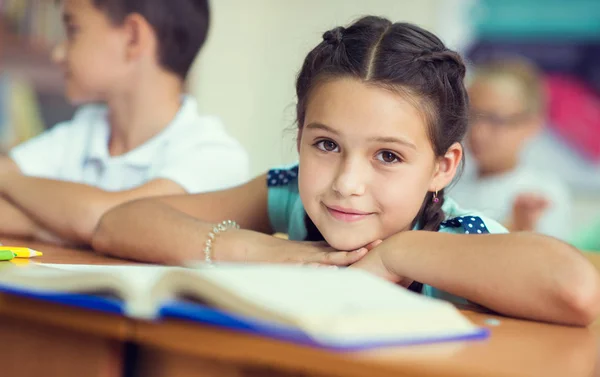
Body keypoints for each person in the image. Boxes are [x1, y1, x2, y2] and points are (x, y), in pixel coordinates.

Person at [93, 17, 600, 326]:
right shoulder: (290, 193)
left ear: (442, 168)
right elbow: (120, 223)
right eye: (327, 144)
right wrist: (263, 248)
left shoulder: (455, 237)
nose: (346, 183)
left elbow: (575, 288)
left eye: (388, 156)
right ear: (300, 140)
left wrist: (399, 254)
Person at [0, 0, 248, 245]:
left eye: (73, 30)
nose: (58, 53)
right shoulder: (80, 132)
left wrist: (8, 179)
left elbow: (110, 222)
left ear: (132, 38)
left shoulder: (215, 155)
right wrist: (70, 227)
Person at [449, 58, 570, 239]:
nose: (478, 132)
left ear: (531, 125)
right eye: (472, 116)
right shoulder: (449, 183)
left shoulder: (542, 194)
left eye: (495, 120)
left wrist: (521, 227)